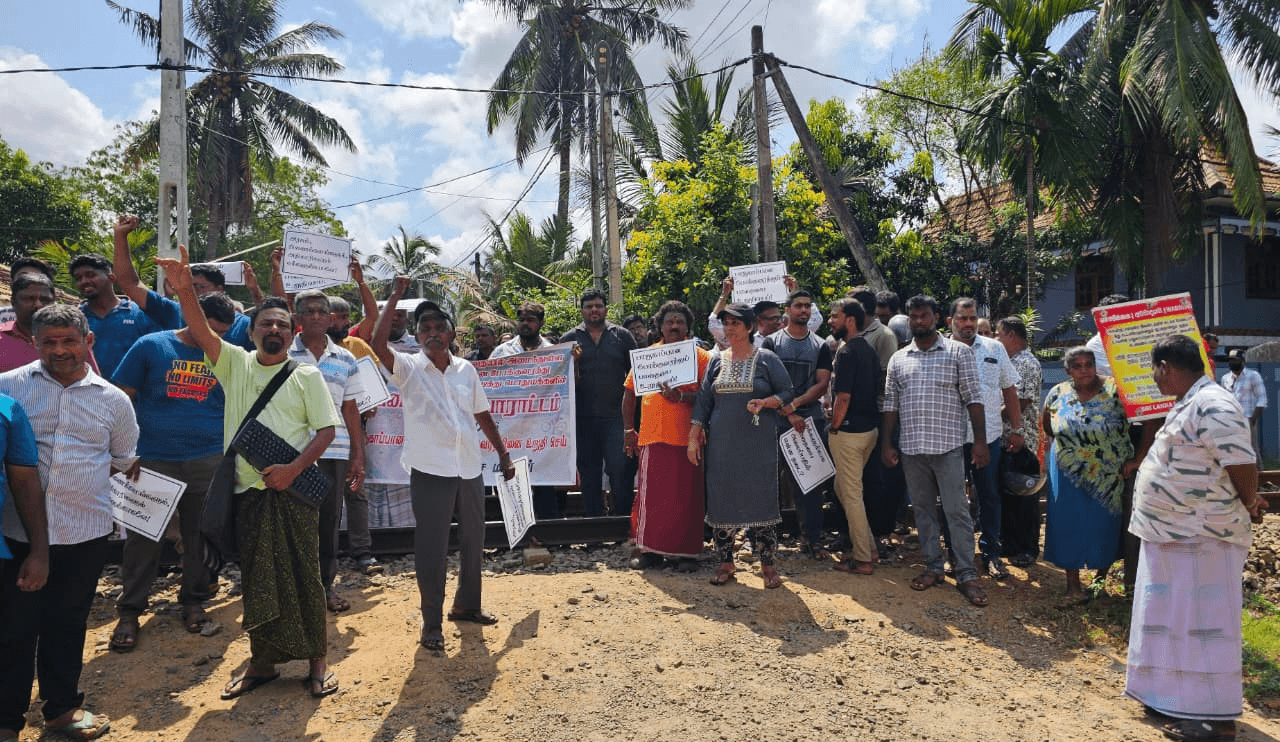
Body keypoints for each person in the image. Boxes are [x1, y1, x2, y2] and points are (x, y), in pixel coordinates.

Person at [157, 247, 342, 700]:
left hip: (293, 492)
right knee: (257, 581)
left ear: (292, 333)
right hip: (248, 492)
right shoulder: (234, 363)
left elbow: (326, 432)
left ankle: (318, 662)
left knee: (305, 577)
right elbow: (201, 330)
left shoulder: (306, 376)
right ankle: (262, 663)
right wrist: (185, 290)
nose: (274, 330)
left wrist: (293, 469)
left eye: (282, 325)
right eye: (266, 324)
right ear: (253, 331)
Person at [0, 304, 139, 740]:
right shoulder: (8, 387)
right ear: (34, 342)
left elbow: (122, 459)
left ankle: (61, 710)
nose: (59, 350)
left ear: (88, 342)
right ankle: (6, 720)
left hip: (85, 533)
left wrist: (77, 485)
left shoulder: (114, 401)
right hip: (18, 533)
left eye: (69, 341)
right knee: (13, 629)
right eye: (49, 342)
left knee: (68, 623)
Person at [1125, 334, 1266, 742]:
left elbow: (1241, 462)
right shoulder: (1189, 401)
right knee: (1174, 623)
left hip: (1203, 536)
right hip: (1175, 535)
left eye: (1154, 371)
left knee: (1206, 628)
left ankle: (1214, 720)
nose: (1153, 379)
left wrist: (1250, 500)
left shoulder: (1213, 403)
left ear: (1165, 367)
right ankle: (1172, 699)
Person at [371, 277, 515, 652]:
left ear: (451, 332)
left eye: (439, 327)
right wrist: (395, 296)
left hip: (469, 467)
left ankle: (467, 605)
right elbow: (377, 344)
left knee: (474, 540)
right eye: (425, 328)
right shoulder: (408, 367)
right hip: (430, 469)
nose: (432, 333)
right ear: (418, 335)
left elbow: (482, 414)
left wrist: (503, 454)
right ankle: (431, 622)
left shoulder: (466, 369)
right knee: (432, 548)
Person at [107, 293, 237, 653]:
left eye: (222, 333)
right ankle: (130, 610)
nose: (214, 338)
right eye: (209, 329)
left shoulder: (225, 356)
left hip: (207, 460)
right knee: (142, 540)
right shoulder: (151, 346)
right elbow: (121, 399)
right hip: (152, 459)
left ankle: (193, 601)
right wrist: (124, 453)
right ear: (192, 316)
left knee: (199, 537)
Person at [881, 295, 989, 607]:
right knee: (923, 511)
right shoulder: (899, 359)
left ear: (936, 317)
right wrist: (887, 443)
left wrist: (980, 442)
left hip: (948, 447)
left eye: (924, 315)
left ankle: (966, 572)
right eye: (914, 317)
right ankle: (933, 566)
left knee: (957, 511)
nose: (919, 321)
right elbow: (890, 405)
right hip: (912, 449)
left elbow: (974, 399)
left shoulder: (958, 353)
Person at [688, 303, 797, 590]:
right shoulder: (716, 361)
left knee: (761, 498)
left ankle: (768, 565)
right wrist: (693, 437)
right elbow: (703, 402)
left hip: (758, 444)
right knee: (721, 498)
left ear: (750, 327)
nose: (729, 328)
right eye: (726, 323)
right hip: (721, 445)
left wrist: (767, 402)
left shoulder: (767, 359)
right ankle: (726, 562)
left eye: (735, 323)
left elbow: (787, 391)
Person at [287, 290, 367, 612]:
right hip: (291, 451)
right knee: (293, 520)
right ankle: (293, 588)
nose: (317, 316)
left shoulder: (346, 359)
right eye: (309, 311)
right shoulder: (283, 354)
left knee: (328, 522)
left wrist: (357, 455)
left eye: (322, 311)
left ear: (331, 318)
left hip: (335, 451)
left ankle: (324, 587)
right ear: (298, 318)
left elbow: (351, 409)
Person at [1040, 346, 1136, 604]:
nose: (1084, 370)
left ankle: (1099, 582)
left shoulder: (1117, 390)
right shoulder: (1057, 392)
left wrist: (1137, 458)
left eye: (1088, 364)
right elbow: (1047, 424)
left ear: (1095, 366)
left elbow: (1149, 421)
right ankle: (1072, 586)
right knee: (1067, 524)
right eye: (1077, 366)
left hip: (1107, 476)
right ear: (1068, 370)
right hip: (1067, 473)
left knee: (1105, 525)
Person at [622, 300, 711, 571]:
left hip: (689, 439)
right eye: (669, 321)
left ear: (688, 327)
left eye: (680, 321)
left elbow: (710, 396)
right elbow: (629, 393)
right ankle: (649, 551)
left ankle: (686, 554)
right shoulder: (647, 356)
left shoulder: (701, 357)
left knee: (687, 499)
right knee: (652, 499)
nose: (674, 326)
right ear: (660, 326)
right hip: (653, 437)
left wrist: (681, 396)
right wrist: (628, 430)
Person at [946, 298, 1022, 579]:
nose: (968, 323)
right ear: (950, 321)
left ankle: (991, 553)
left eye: (972, 318)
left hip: (988, 436)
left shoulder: (994, 348)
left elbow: (1009, 390)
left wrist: (1017, 429)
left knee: (989, 495)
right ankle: (955, 553)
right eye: (962, 318)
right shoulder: (940, 351)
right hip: (951, 438)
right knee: (953, 498)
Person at [112, 214, 258, 350]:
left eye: (199, 286)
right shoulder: (173, 312)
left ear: (219, 289)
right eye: (188, 285)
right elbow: (130, 284)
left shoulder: (244, 326)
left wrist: (255, 291)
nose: (192, 291)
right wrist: (120, 235)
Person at [762, 290, 833, 557]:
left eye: (807, 306)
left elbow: (822, 383)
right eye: (798, 306)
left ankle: (812, 541)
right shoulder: (772, 343)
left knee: (811, 485)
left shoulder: (820, 345)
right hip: (775, 420)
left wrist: (796, 406)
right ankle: (761, 541)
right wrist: (788, 411)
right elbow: (765, 381)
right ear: (788, 310)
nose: (803, 310)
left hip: (809, 422)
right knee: (767, 482)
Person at [560, 289, 637, 516]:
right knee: (589, 473)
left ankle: (623, 521)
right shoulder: (568, 339)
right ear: (581, 311)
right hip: (582, 419)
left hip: (616, 418)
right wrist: (573, 362)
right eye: (589, 306)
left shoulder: (622, 336)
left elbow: (636, 375)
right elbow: (560, 381)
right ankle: (594, 521)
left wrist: (633, 421)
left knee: (620, 470)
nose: (594, 310)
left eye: (598, 306)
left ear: (606, 309)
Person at [826, 299, 881, 575]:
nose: (830, 321)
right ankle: (869, 547)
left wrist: (834, 425)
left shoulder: (847, 352)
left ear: (850, 320)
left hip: (849, 433)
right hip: (869, 431)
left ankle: (863, 560)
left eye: (834, 316)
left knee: (851, 495)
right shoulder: (868, 349)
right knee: (844, 489)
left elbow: (843, 397)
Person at [491, 301, 560, 518]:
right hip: (511, 429)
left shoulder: (552, 352)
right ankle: (515, 528)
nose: (525, 324)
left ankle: (547, 529)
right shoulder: (502, 352)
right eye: (521, 320)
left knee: (544, 485)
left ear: (541, 323)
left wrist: (573, 362)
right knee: (512, 483)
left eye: (530, 320)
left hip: (542, 432)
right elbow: (490, 387)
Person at [72, 252, 180, 379]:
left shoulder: (139, 314)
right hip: (86, 390)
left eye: (91, 275)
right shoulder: (74, 319)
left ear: (111, 277)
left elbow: (159, 354)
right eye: (78, 278)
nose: (84, 281)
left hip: (134, 391)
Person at [996, 316, 1044, 568]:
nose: (997, 339)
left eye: (999, 334)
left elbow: (1021, 401)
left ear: (1011, 335)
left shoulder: (1026, 363)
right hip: (1008, 440)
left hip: (1022, 440)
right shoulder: (1011, 361)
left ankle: (1028, 548)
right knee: (1010, 496)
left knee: (1025, 497)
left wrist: (992, 414)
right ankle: (1011, 544)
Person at [707, 274, 820, 349]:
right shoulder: (747, 341)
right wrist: (724, 294)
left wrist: (796, 292)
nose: (779, 322)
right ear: (759, 321)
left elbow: (816, 319)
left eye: (779, 318)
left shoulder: (791, 336)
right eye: (773, 318)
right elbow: (713, 325)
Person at [0, 273, 57, 373]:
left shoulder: (72, 339)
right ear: (13, 301)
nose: (38, 305)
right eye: (29, 298)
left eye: (44, 299)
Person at [1222, 349, 1266, 468]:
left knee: (1251, 448)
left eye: (1235, 360)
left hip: (1247, 419)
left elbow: (1262, 399)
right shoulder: (1226, 378)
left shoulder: (1253, 376)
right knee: (1233, 449)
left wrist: (1253, 419)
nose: (1232, 363)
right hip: (1230, 420)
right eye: (1230, 360)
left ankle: (1260, 475)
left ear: (1242, 361)